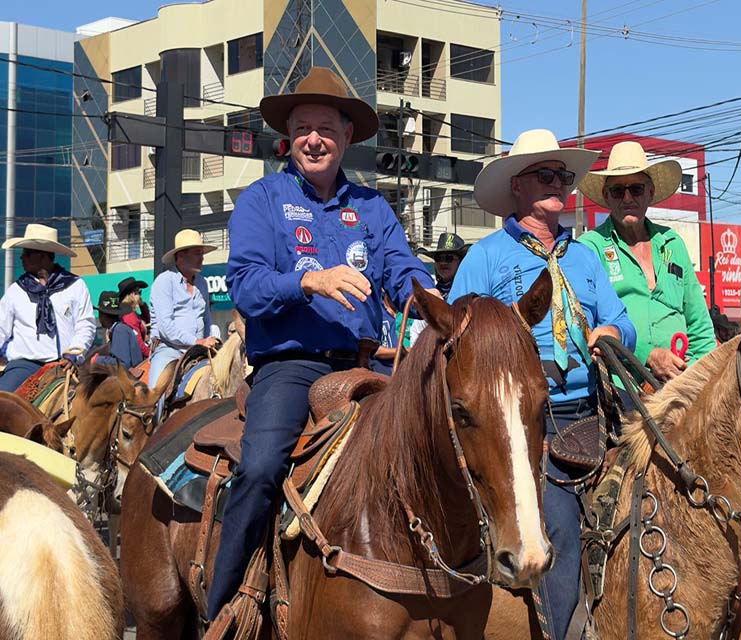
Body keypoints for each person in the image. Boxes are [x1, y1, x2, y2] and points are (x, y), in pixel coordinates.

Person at [207, 67, 437, 620]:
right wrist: (310, 279)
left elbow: (402, 269)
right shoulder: (261, 199)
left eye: (326, 129)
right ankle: (223, 607)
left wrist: (432, 300)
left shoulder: (373, 208)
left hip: (366, 368)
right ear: (289, 136)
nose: (315, 139)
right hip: (291, 367)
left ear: (345, 137)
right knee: (261, 467)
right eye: (304, 128)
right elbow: (245, 285)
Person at [448, 129, 636, 640]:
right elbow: (454, 343)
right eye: (547, 176)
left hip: (592, 409)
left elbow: (623, 321)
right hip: (522, 424)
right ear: (518, 187)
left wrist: (613, 331)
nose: (560, 184)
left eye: (564, 176)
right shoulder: (485, 257)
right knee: (559, 532)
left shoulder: (585, 258)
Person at [578, 141, 714, 381]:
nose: (627, 197)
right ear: (606, 196)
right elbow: (589, 326)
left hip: (683, 378)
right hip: (623, 382)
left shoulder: (672, 242)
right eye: (618, 191)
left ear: (650, 193)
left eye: (636, 189)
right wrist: (646, 355)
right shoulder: (591, 247)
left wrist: (698, 375)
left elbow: (699, 322)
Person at [0, 224, 96, 391]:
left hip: (65, 365)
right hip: (24, 365)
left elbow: (85, 324)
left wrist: (74, 354)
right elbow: (1, 328)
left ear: (43, 257)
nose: (22, 258)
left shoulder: (75, 285)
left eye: (27, 254)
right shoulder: (16, 291)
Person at [147, 229, 217, 388]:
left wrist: (207, 342)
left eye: (202, 253)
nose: (202, 258)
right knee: (155, 393)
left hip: (200, 351)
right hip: (169, 350)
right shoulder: (164, 281)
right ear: (180, 256)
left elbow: (206, 319)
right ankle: (153, 412)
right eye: (197, 253)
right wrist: (198, 341)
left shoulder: (202, 283)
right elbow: (166, 328)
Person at [96, 291, 143, 370]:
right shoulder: (120, 328)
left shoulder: (119, 330)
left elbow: (123, 364)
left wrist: (98, 360)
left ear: (102, 315)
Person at [117, 276, 150, 361]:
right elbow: (138, 344)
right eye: (138, 292)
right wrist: (152, 354)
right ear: (131, 295)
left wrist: (142, 305)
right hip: (135, 360)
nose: (140, 296)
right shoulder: (129, 316)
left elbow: (146, 319)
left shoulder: (130, 313)